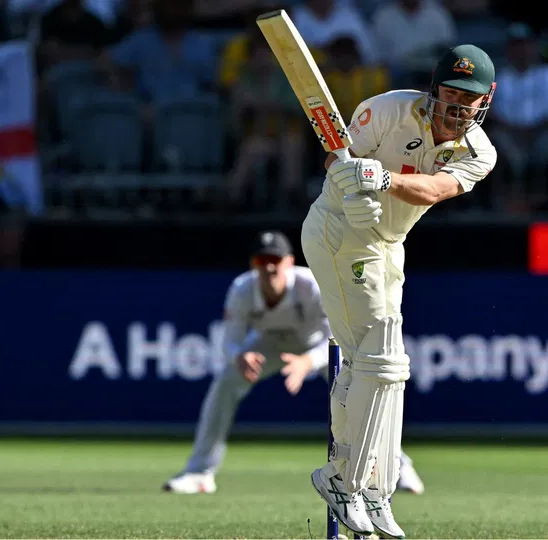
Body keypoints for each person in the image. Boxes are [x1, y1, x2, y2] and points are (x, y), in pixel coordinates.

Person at [301, 44, 497, 538]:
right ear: (434, 88)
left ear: (485, 101)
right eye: (449, 94)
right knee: (374, 359)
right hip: (336, 231)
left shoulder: (481, 152)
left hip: (389, 243)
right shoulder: (388, 109)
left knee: (390, 364)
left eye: (467, 100)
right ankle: (342, 480)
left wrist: (383, 180)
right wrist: (352, 189)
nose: (456, 109)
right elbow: (336, 160)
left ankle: (376, 489)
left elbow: (435, 190)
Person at [162, 231, 426, 495]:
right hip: (268, 345)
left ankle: (397, 467)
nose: (268, 267)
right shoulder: (242, 289)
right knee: (226, 382)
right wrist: (239, 356)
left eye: (275, 260)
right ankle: (199, 473)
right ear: (253, 263)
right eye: (261, 260)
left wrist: (307, 362)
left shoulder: (312, 284)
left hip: (320, 347)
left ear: (288, 262)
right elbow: (230, 342)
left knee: (357, 395)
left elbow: (337, 336)